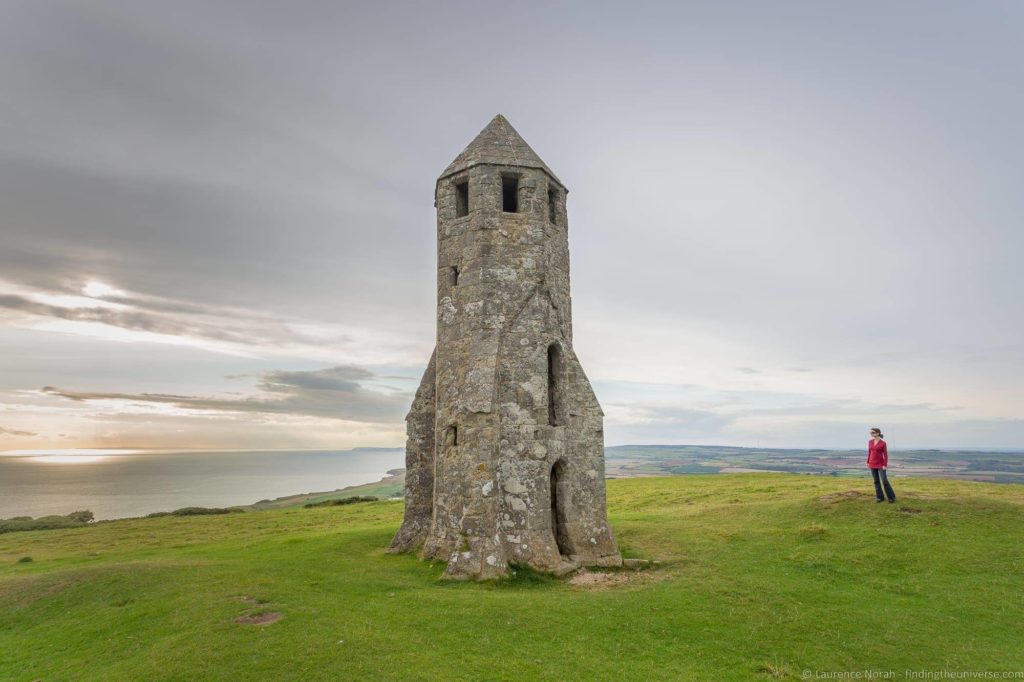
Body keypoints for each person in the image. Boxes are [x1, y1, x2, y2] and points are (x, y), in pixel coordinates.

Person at [867, 427, 896, 503]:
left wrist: (885, 464)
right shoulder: (870, 442)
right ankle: (880, 497)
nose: (871, 434)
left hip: (881, 464)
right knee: (876, 481)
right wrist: (868, 462)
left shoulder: (883, 443)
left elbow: (885, 455)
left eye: (873, 432)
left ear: (878, 433)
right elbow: (869, 453)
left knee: (884, 480)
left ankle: (891, 497)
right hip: (872, 463)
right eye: (871, 432)